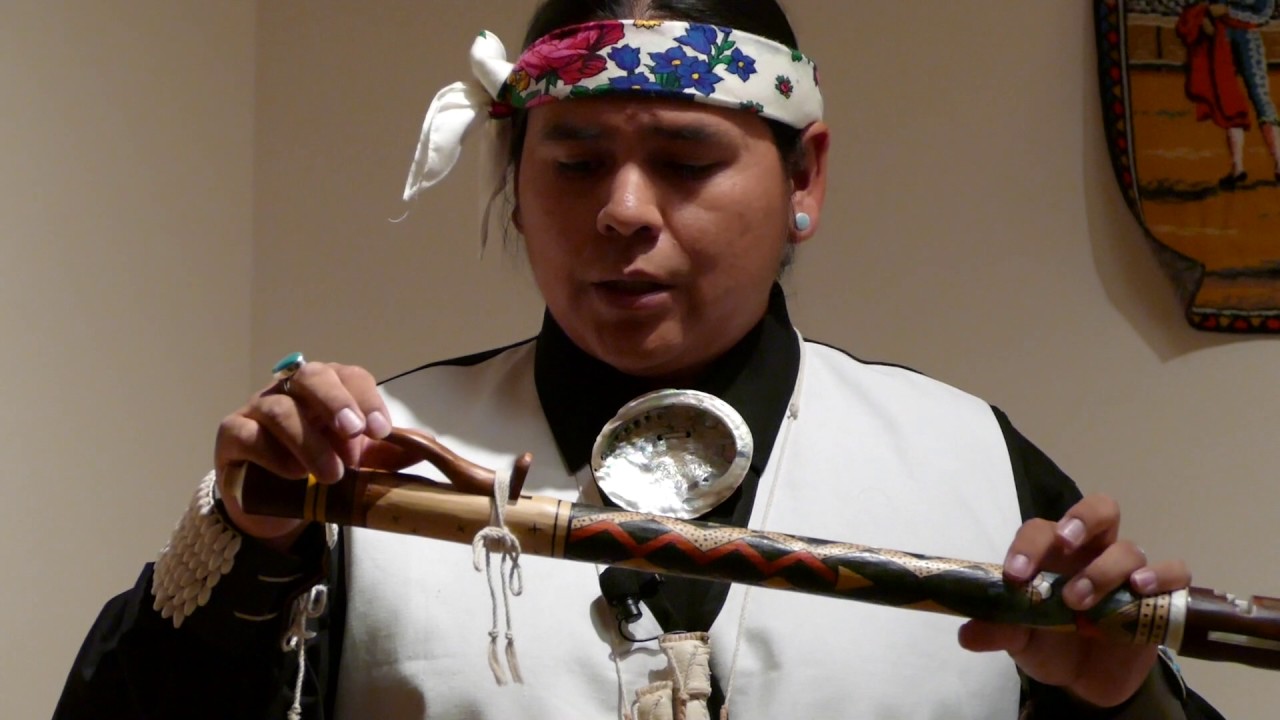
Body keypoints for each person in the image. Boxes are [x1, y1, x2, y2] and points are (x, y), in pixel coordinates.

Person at [55, 1, 1226, 718]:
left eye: (683, 158)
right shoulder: (372, 461)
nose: (621, 211)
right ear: (513, 185)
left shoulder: (966, 461)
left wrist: (1120, 705)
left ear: (803, 177)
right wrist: (248, 545)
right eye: (572, 161)